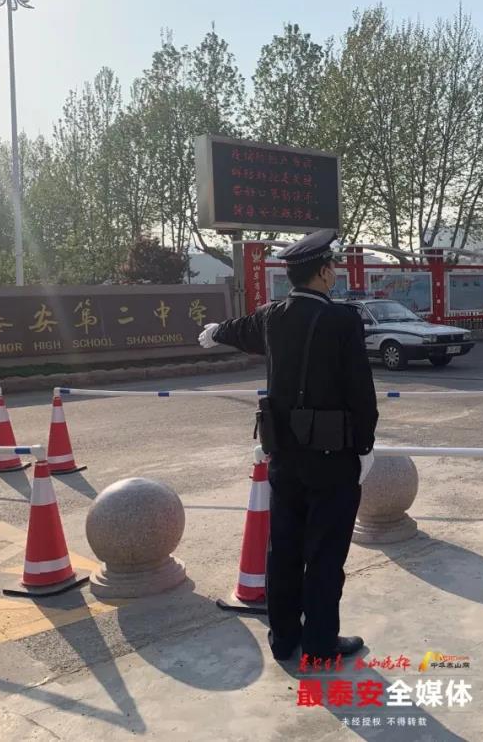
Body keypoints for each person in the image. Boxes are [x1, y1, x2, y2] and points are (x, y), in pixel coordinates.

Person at [197, 229, 378, 663]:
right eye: (332, 267)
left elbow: (239, 329)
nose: (334, 273)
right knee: (325, 554)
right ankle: (319, 642)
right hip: (332, 457)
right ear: (323, 273)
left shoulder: (272, 317)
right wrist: (365, 445)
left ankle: (282, 639)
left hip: (283, 454)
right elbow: (360, 391)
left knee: (284, 548)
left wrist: (216, 331)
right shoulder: (342, 320)